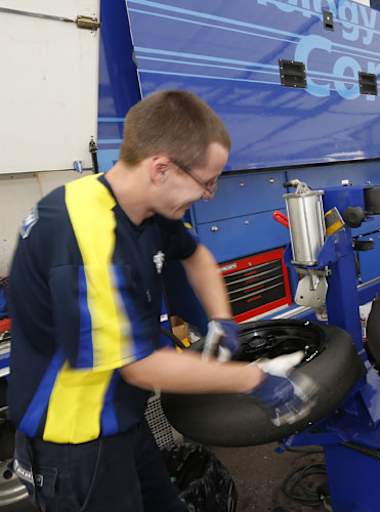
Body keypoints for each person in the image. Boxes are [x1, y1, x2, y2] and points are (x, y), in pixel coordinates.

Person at [7, 90, 315, 511]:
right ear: (161, 168)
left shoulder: (144, 209)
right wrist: (255, 379)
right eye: (206, 182)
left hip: (119, 418)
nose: (209, 195)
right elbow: (139, 366)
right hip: (74, 443)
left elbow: (197, 257)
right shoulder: (85, 237)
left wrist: (222, 321)